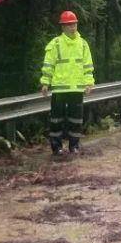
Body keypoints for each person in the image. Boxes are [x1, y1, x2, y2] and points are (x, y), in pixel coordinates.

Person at [40, 10, 95, 155]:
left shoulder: (83, 44)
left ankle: (74, 146)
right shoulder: (56, 44)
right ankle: (56, 147)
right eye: (69, 25)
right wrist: (45, 83)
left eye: (74, 24)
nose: (72, 27)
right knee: (56, 120)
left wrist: (89, 83)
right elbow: (48, 65)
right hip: (59, 89)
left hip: (77, 89)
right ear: (63, 27)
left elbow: (88, 66)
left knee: (76, 120)